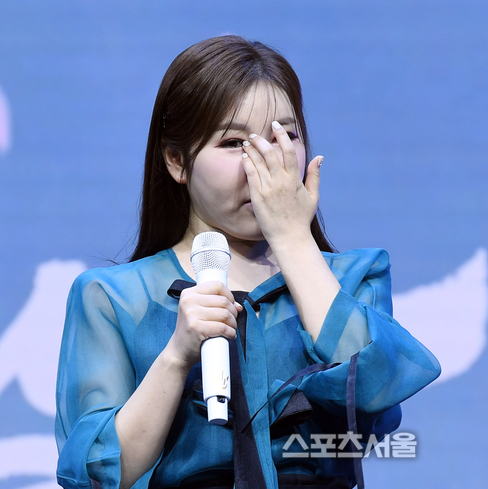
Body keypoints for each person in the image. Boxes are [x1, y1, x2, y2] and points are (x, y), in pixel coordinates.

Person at [54, 35, 441, 489]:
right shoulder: (115, 297)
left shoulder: (353, 278)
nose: (263, 160)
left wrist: (293, 238)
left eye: (285, 136)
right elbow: (94, 475)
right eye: (234, 142)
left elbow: (377, 394)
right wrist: (176, 357)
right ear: (177, 161)